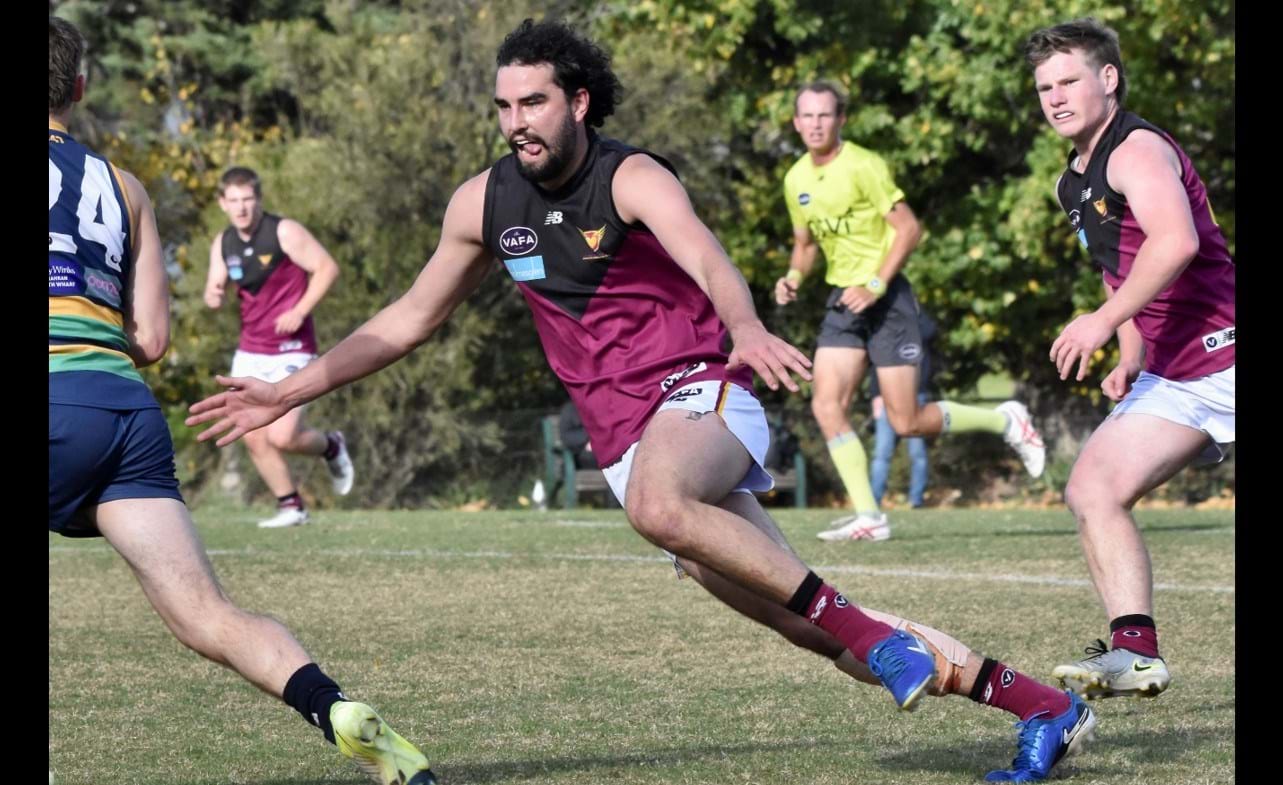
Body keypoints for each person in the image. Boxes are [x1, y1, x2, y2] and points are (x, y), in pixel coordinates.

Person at [188, 19, 1096, 781]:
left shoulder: (631, 177)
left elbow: (707, 257)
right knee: (827, 639)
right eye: (504, 106)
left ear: (577, 101)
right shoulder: (483, 201)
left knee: (660, 505)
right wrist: (287, 389)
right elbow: (408, 319)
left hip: (706, 392)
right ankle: (1041, 705)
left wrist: (742, 324)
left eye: (533, 102)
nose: (517, 122)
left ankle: (867, 627)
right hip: (624, 437)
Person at [47, 16, 434, 785]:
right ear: (81, 88)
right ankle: (336, 709)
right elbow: (152, 339)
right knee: (207, 615)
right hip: (124, 413)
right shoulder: (124, 187)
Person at [1025, 18, 1235, 699]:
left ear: (1107, 79)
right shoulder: (1073, 181)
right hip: (1175, 376)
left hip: (1226, 351)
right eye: (1042, 87)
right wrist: (1126, 348)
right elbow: (1120, 270)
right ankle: (1135, 651)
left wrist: (1100, 322)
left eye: (1067, 81)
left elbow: (1173, 243)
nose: (1054, 97)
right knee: (1092, 488)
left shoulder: (1136, 149)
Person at [774, 81, 1046, 544]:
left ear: (840, 120)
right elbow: (804, 246)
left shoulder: (863, 164)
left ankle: (1005, 419)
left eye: (825, 115)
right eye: (808, 116)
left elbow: (909, 228)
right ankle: (870, 516)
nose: (816, 124)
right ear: (796, 123)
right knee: (825, 404)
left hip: (887, 298)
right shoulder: (795, 178)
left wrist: (876, 285)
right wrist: (793, 278)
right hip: (843, 300)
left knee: (906, 422)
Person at [203, 166, 355, 528]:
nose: (241, 208)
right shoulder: (223, 242)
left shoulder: (283, 231)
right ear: (222, 203)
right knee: (252, 435)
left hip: (292, 349)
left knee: (283, 435)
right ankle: (291, 507)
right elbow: (215, 285)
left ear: (258, 199)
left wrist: (300, 310)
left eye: (248, 199)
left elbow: (326, 268)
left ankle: (331, 446)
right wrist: (213, 294)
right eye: (234, 200)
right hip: (251, 351)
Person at [868, 309, 938, 509]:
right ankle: (873, 502)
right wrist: (876, 395)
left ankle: (916, 500)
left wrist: (913, 311)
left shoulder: (919, 325)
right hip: (886, 396)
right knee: (882, 453)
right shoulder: (885, 329)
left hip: (916, 396)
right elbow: (876, 366)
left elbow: (929, 330)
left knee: (918, 454)